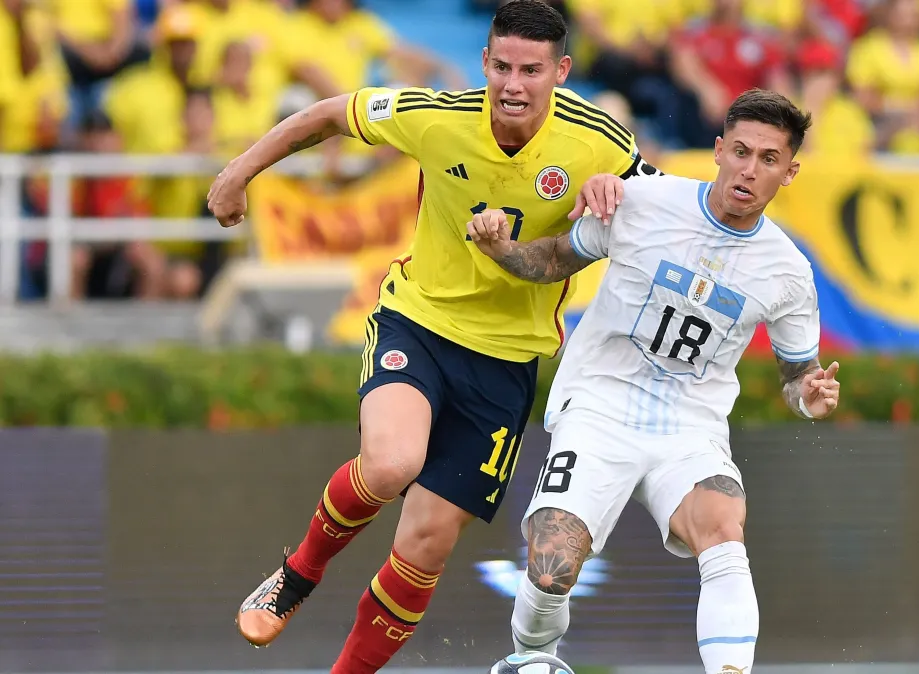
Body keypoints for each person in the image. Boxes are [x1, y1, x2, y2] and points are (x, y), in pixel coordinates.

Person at [205, 1, 659, 671]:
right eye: (501, 66)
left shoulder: (600, 143)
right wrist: (239, 171)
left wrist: (622, 195)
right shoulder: (438, 117)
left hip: (506, 362)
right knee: (391, 464)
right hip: (419, 322)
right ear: (484, 63)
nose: (513, 84)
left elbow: (668, 207)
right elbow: (331, 113)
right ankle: (296, 576)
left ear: (560, 72)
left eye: (531, 70)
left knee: (425, 545)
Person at [467, 88, 841, 674]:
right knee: (553, 561)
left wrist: (809, 397)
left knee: (723, 528)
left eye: (769, 159)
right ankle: (532, 658)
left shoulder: (790, 272)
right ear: (717, 151)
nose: (749, 169)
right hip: (598, 403)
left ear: (789, 172)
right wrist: (502, 249)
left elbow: (799, 378)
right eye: (741, 151)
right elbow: (554, 260)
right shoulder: (642, 202)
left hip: (689, 426)